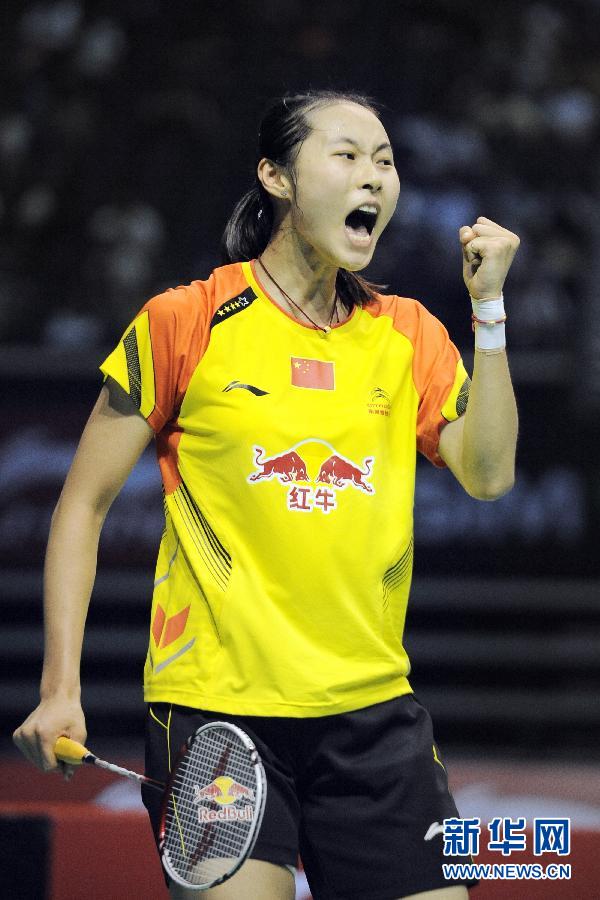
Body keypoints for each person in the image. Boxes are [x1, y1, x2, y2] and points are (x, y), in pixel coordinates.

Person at [13, 90, 519, 900]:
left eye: (385, 162)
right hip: (218, 714)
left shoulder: (409, 334)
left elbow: (489, 476)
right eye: (346, 156)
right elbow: (82, 506)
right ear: (276, 177)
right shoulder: (186, 320)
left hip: (374, 716)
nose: (373, 177)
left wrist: (488, 312)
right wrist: (59, 689)